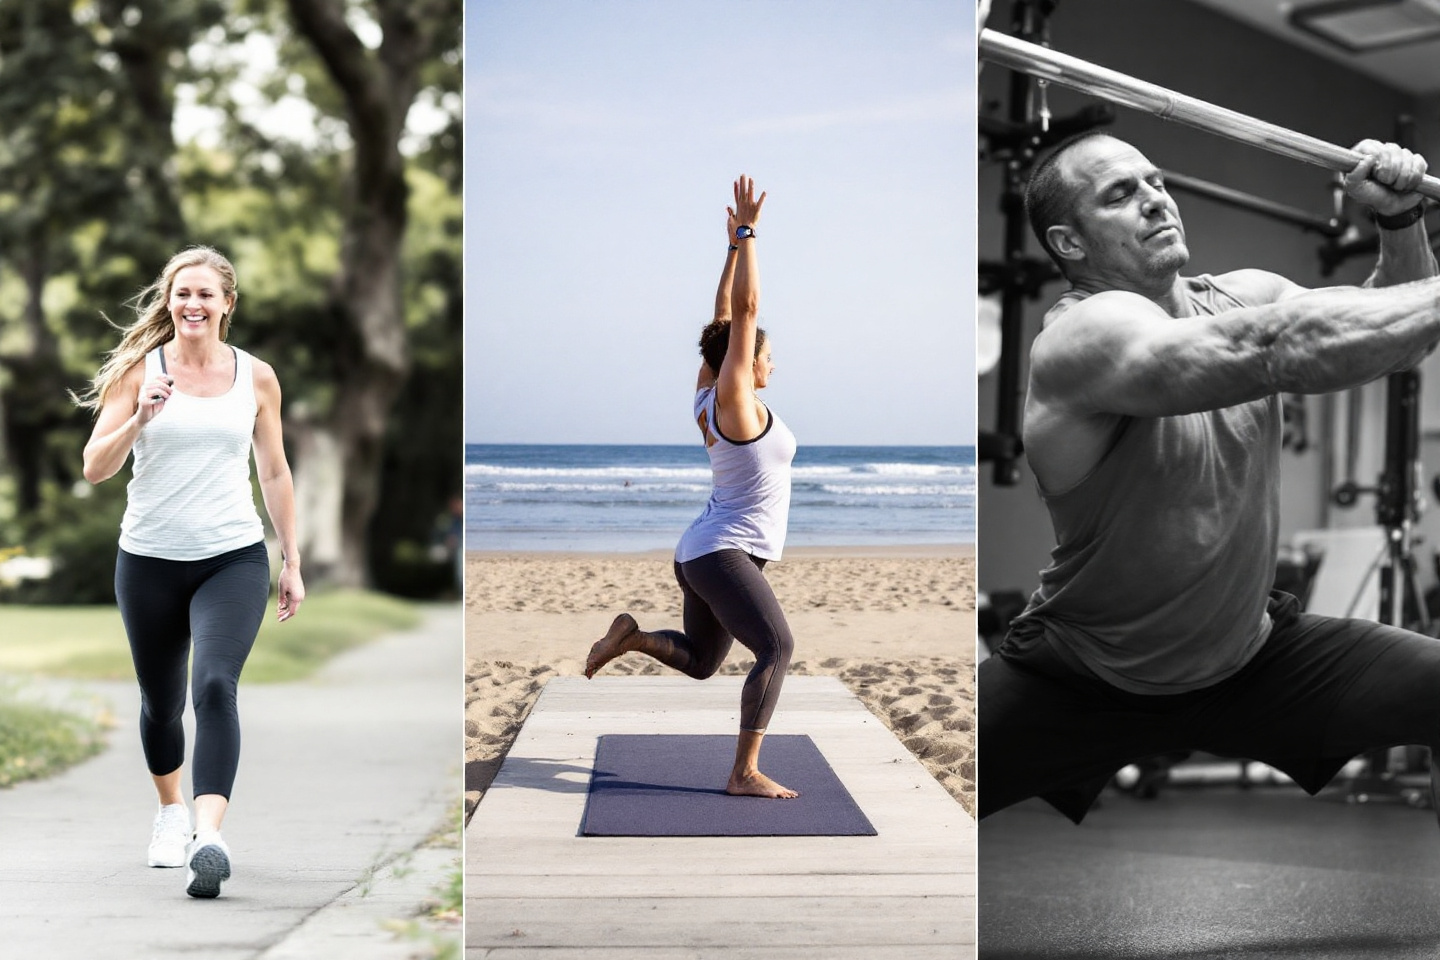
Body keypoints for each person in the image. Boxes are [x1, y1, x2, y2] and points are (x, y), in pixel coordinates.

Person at [979, 132, 1440, 823]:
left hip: (1254, 664)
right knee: (907, 788)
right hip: (1084, 675)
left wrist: (1400, 220)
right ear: (1070, 244)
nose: (1155, 201)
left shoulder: (1241, 295)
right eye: (1120, 194)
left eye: (1155, 182)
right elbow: (1276, 346)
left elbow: (1394, 333)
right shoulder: (1081, 338)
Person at [78, 245, 305, 897]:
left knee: (213, 686)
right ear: (169, 301)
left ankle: (210, 835)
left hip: (231, 558)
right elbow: (95, 466)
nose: (193, 304)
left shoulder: (256, 377)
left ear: (227, 303)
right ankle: (170, 812)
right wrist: (140, 418)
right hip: (148, 561)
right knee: (161, 702)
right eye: (183, 293)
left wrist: (291, 558)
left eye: (206, 294)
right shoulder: (137, 371)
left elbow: (275, 470)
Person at [584, 175, 800, 799]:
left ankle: (632, 636)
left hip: (703, 550)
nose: (771, 364)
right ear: (743, 361)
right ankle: (743, 773)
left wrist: (731, 246)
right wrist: (752, 234)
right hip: (720, 552)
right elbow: (744, 317)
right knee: (778, 648)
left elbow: (723, 318)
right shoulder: (733, 402)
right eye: (766, 356)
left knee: (705, 664)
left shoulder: (707, 393)